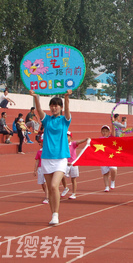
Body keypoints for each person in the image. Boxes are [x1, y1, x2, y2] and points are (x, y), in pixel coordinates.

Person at [30, 89, 72, 225]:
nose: (54, 108)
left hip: (60, 158)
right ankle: (53, 214)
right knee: (50, 188)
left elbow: (67, 110)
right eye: (52, 105)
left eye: (56, 105)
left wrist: (66, 97)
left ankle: (56, 214)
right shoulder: (47, 120)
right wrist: (36, 96)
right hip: (47, 158)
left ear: (60, 107)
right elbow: (38, 109)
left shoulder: (65, 120)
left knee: (54, 186)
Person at [65, 131, 88, 200]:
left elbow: (79, 142)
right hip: (65, 164)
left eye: (67, 136)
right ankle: (66, 188)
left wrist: (85, 139)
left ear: (71, 138)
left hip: (73, 164)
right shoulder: (62, 145)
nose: (66, 138)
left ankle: (73, 194)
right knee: (61, 176)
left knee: (73, 179)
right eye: (65, 136)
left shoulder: (73, 144)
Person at [98, 124, 119, 192]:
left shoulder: (111, 138)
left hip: (111, 156)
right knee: (105, 173)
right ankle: (106, 186)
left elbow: (113, 132)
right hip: (103, 158)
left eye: (106, 131)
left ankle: (112, 181)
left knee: (113, 170)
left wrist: (112, 122)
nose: (104, 133)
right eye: (103, 131)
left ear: (109, 132)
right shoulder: (100, 139)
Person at [33, 135, 49, 204]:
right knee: (42, 183)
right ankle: (47, 194)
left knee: (45, 183)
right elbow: (37, 161)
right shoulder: (39, 152)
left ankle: (47, 197)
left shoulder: (48, 151)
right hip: (40, 168)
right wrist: (35, 170)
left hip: (47, 168)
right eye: (41, 142)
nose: (42, 144)